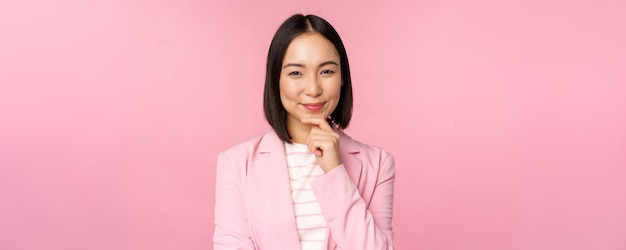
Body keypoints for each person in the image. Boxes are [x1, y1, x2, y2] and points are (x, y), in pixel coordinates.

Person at [213, 13, 395, 249]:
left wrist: (334, 172)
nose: (313, 88)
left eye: (327, 71)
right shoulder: (236, 163)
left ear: (342, 78)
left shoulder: (378, 164)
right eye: (296, 73)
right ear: (276, 79)